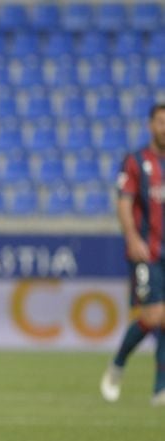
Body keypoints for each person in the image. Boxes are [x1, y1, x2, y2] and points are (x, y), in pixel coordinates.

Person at [101, 103, 165, 406]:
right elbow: (124, 202)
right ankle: (118, 364)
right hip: (146, 251)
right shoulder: (136, 162)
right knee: (154, 315)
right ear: (151, 125)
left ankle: (160, 390)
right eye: (161, 122)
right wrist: (132, 237)